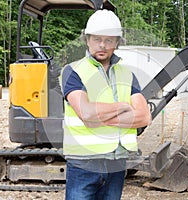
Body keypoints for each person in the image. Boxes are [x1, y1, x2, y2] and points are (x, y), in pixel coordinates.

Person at [60, 9, 151, 200]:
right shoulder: (73, 71)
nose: (102, 45)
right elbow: (86, 113)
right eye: (96, 39)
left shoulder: (127, 75)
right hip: (83, 163)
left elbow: (144, 117)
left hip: (116, 163)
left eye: (109, 40)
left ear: (117, 43)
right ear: (87, 40)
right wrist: (124, 107)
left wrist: (98, 116)